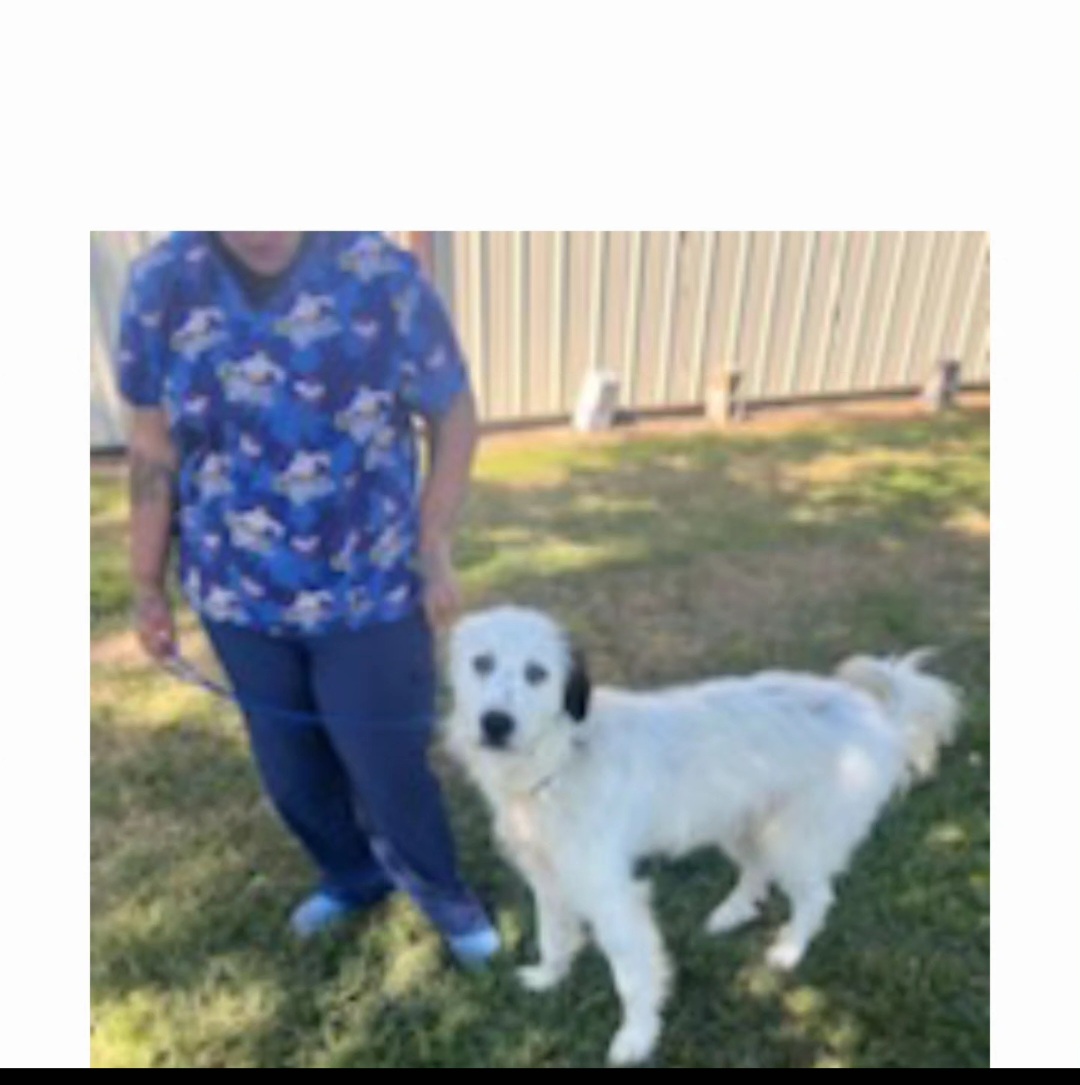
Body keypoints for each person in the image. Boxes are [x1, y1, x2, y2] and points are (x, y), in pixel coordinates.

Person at [117, 231, 499, 966]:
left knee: (387, 764)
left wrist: (434, 540)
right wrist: (145, 584)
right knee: (290, 769)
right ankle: (353, 876)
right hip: (238, 596)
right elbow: (152, 442)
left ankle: (443, 892)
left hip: (371, 589)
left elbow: (453, 412)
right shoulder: (162, 282)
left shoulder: (380, 275)